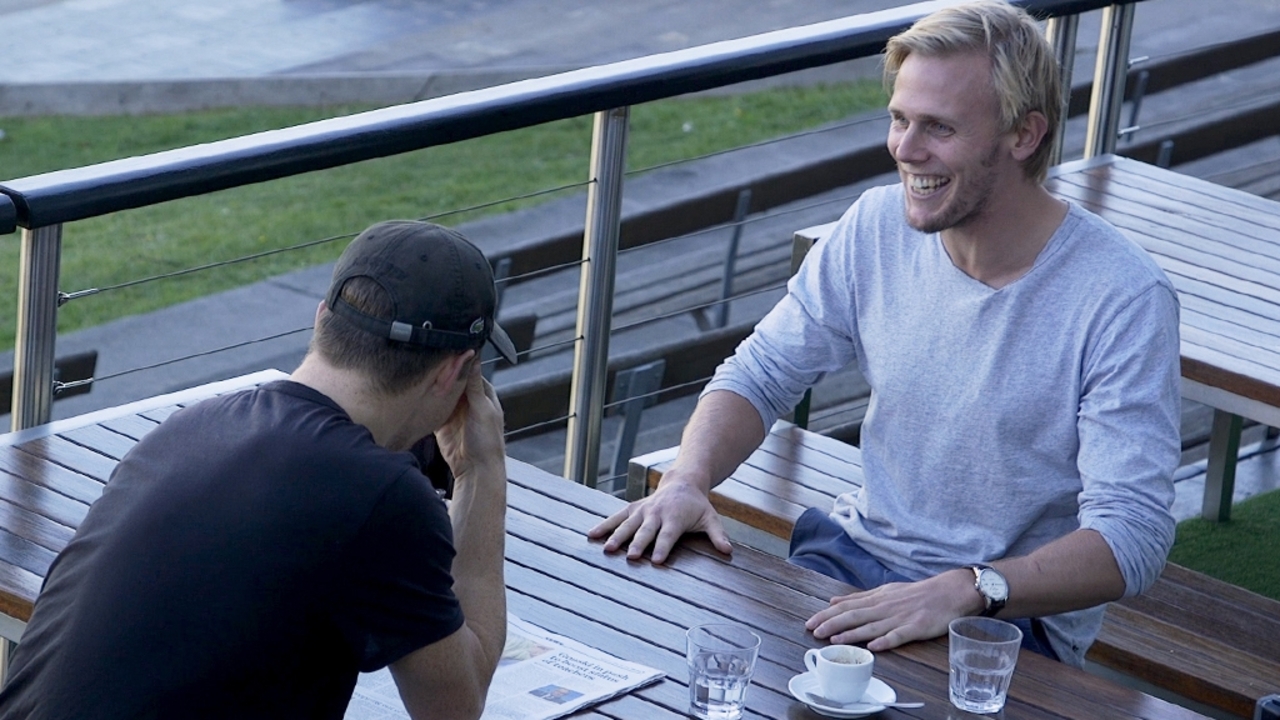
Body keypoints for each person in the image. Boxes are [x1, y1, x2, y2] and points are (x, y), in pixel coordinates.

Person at [589, 0, 1181, 668]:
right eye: (899, 119)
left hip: (1004, 624)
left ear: (1023, 135)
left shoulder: (1122, 297)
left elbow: (1132, 534)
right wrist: (686, 481)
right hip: (850, 561)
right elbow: (761, 373)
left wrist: (969, 589)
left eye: (938, 127)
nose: (904, 148)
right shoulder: (875, 225)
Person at [0, 220, 517, 719]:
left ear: (322, 319)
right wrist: (480, 469)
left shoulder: (192, 427)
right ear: (455, 371)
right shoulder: (382, 494)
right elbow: (456, 707)